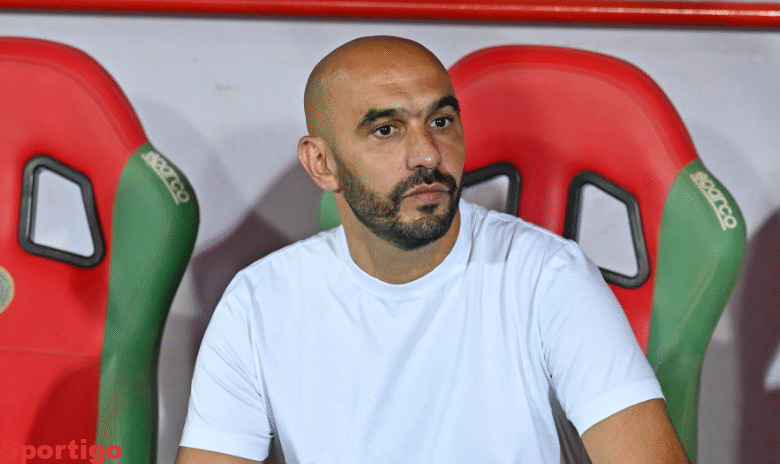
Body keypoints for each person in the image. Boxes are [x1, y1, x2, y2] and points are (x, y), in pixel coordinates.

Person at [175, 36, 690, 464]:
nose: (427, 154)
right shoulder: (259, 303)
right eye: (386, 130)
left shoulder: (548, 276)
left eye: (441, 122)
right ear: (322, 164)